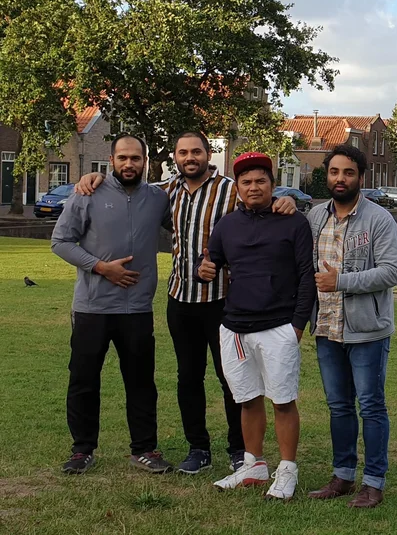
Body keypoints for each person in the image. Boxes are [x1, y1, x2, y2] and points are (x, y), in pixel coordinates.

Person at [74, 133, 297, 474]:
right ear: (175, 157)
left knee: (231, 378)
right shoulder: (165, 192)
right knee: (188, 378)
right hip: (180, 298)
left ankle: (239, 449)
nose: (190, 157)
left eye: (196, 151)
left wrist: (286, 201)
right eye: (183, 152)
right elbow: (128, 187)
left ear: (208, 154)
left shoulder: (229, 190)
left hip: (223, 299)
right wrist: (95, 177)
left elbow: (260, 204)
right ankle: (198, 448)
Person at [51, 134, 173, 474]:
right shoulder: (87, 193)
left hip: (137, 308)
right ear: (111, 160)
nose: (129, 164)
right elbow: (60, 242)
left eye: (135, 158)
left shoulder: (158, 198)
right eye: (123, 158)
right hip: (92, 307)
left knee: (141, 381)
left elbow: (190, 220)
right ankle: (82, 450)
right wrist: (101, 267)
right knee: (84, 379)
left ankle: (144, 449)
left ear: (145, 161)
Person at [197, 152, 314, 500]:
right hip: (234, 327)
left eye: (260, 180)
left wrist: (297, 326)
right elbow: (210, 263)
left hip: (279, 325)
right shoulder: (227, 225)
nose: (253, 187)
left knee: (282, 400)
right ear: (237, 188)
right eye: (246, 182)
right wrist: (202, 270)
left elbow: (306, 277)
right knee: (247, 399)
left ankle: (287, 469)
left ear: (272, 185)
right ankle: (254, 464)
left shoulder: (293, 223)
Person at [305, 144, 397, 509]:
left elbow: (391, 272)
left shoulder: (379, 220)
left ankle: (373, 483)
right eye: (334, 172)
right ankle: (342, 475)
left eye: (348, 172)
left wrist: (341, 281)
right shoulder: (315, 217)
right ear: (326, 175)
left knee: (371, 406)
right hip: (327, 327)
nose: (340, 178)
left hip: (367, 331)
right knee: (338, 406)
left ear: (361, 177)